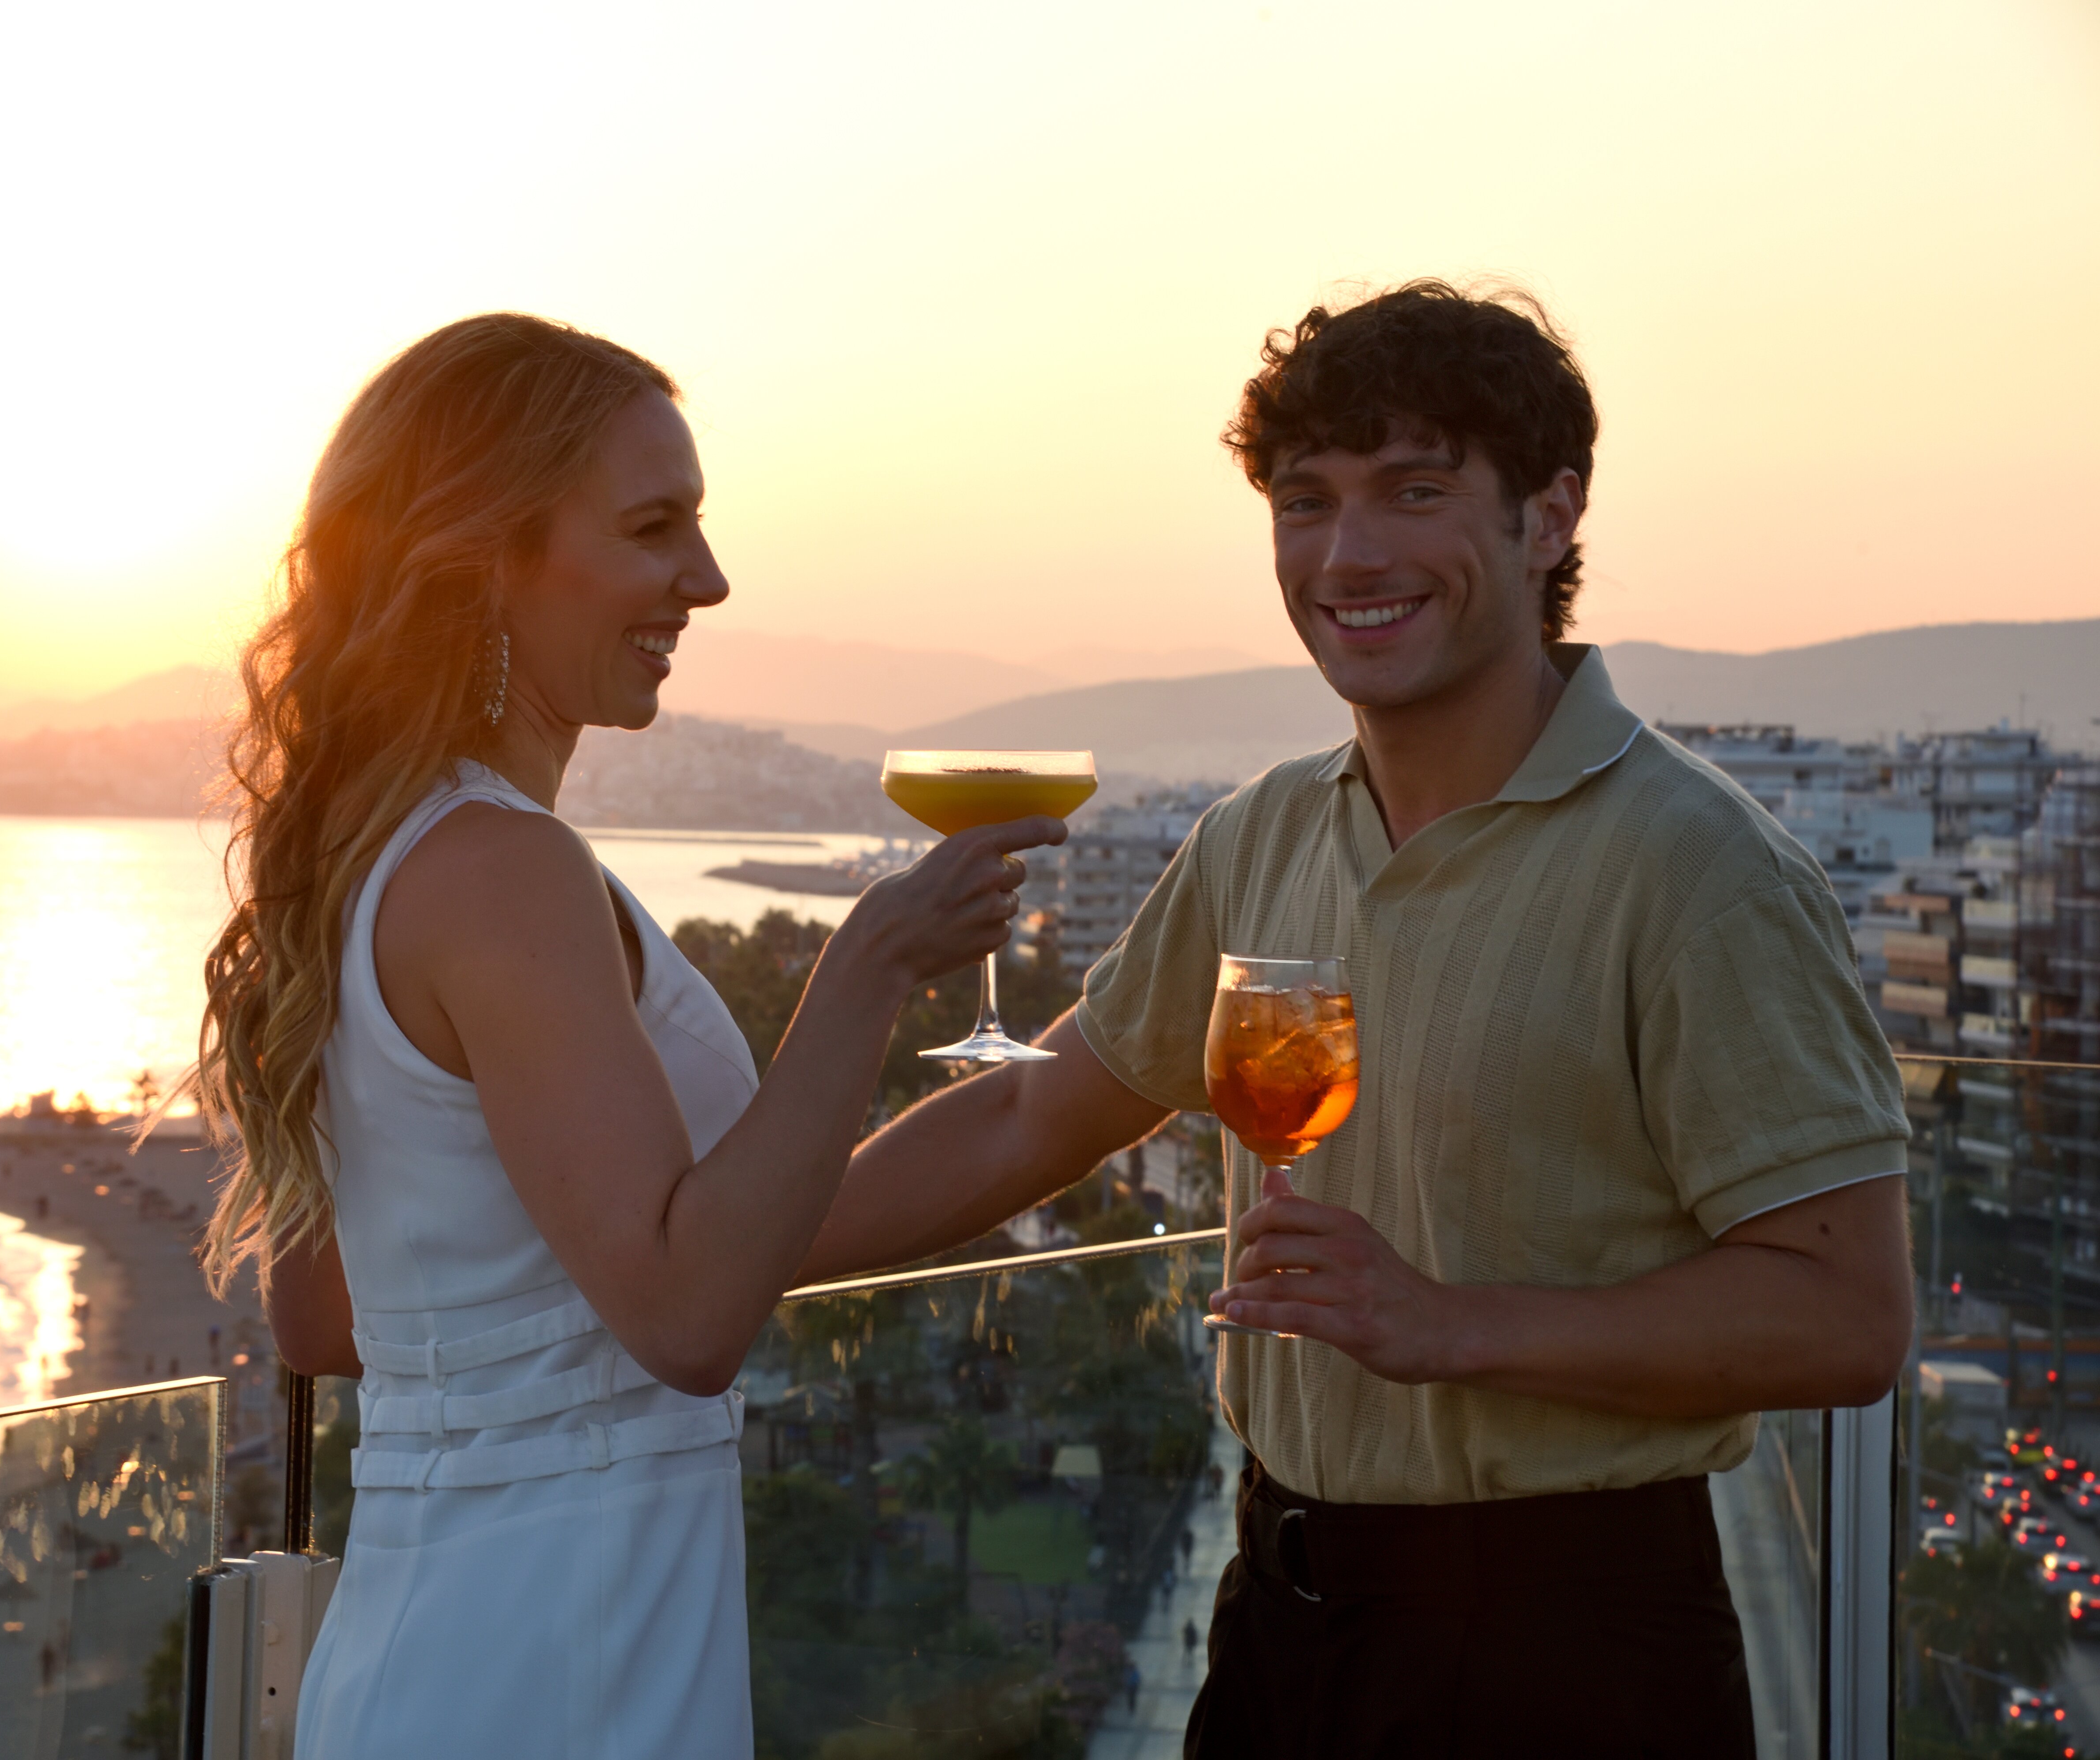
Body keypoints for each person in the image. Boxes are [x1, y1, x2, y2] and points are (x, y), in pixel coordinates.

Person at [801, 281, 1915, 1756]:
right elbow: (1030, 1109)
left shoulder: (1698, 870)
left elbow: (1848, 1316)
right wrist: (728, 1255)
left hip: (1565, 1647)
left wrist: (1449, 1328)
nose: (1349, 554)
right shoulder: (1257, 837)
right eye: (1304, 500)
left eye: (1415, 490)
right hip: (1282, 1615)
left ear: (1551, 515)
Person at [190, 314, 1059, 1758]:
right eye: (656, 530)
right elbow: (686, 1317)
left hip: (444, 1641)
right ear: (486, 559)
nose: (707, 582)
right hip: (558, 1654)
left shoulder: (372, 856)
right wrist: (870, 964)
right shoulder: (503, 869)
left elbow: (327, 1319)